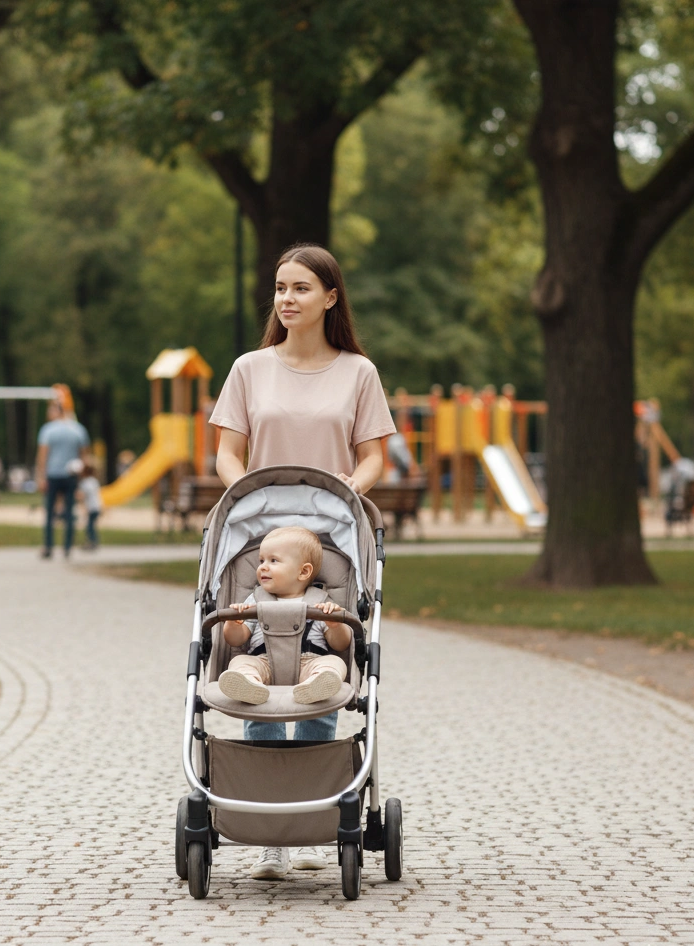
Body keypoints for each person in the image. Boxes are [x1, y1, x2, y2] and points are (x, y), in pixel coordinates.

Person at [210, 242, 396, 880]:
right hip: (260, 527)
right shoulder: (249, 368)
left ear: (331, 298)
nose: (286, 299)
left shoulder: (358, 373)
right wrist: (247, 490)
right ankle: (269, 833)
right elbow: (226, 455)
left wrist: (350, 488)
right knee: (261, 660)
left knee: (317, 662)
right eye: (280, 288)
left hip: (330, 532)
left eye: (301, 289)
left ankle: (313, 810)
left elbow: (374, 457)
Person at [220, 527, 350, 705]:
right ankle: (249, 684)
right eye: (261, 560)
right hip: (264, 663)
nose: (262, 567)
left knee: (334, 662)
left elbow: (340, 644)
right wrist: (234, 624)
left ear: (303, 572)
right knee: (240, 662)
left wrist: (336, 626)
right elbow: (236, 640)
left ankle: (317, 685)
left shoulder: (321, 602)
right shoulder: (255, 599)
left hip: (309, 663)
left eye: (273, 560)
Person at [35, 400, 90, 559]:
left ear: (56, 411)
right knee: (69, 511)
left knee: (50, 512)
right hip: (71, 475)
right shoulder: (78, 429)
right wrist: (81, 478)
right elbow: (84, 455)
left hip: (53, 474)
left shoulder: (48, 430)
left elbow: (43, 455)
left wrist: (40, 476)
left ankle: (48, 546)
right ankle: (67, 546)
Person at [77, 462, 102, 551]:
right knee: (91, 525)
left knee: (89, 526)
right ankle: (92, 541)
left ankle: (92, 542)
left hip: (91, 507)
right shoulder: (94, 481)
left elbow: (83, 494)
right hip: (97, 506)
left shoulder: (85, 482)